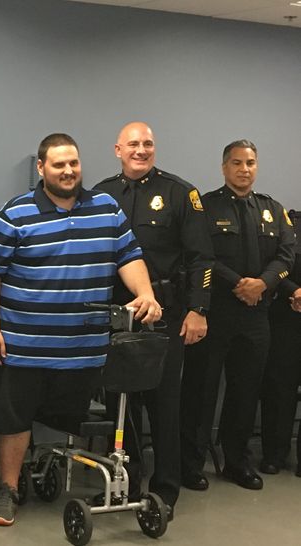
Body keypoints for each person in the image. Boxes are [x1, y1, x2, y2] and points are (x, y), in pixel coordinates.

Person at [0, 133, 160, 527]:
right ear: (41, 168)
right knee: (14, 419)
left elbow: (128, 256)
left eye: (73, 163)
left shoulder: (106, 209)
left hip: (85, 349)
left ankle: (65, 471)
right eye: (58, 164)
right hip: (22, 345)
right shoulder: (14, 213)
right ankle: (8, 489)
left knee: (73, 418)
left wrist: (145, 292)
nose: (68, 171)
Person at [94, 122, 212, 514]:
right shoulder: (102, 194)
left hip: (167, 312)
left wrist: (199, 309)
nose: (141, 150)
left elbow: (201, 259)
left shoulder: (181, 193)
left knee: (164, 402)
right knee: (120, 403)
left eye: (147, 143)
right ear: (118, 149)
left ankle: (164, 489)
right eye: (133, 144)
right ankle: (125, 483)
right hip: (116, 315)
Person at [180, 140, 294, 491]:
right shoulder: (205, 206)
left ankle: (236, 462)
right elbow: (200, 255)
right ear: (224, 167)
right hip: (215, 313)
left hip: (258, 316)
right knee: (201, 391)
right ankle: (190, 464)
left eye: (250, 163)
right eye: (236, 163)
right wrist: (238, 284)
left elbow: (287, 255)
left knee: (246, 392)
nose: (244, 169)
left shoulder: (272, 209)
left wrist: (263, 283)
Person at [259, 208, 301, 476]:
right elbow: (275, 265)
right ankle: (274, 454)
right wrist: (294, 291)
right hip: (287, 318)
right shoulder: (289, 221)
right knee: (279, 390)